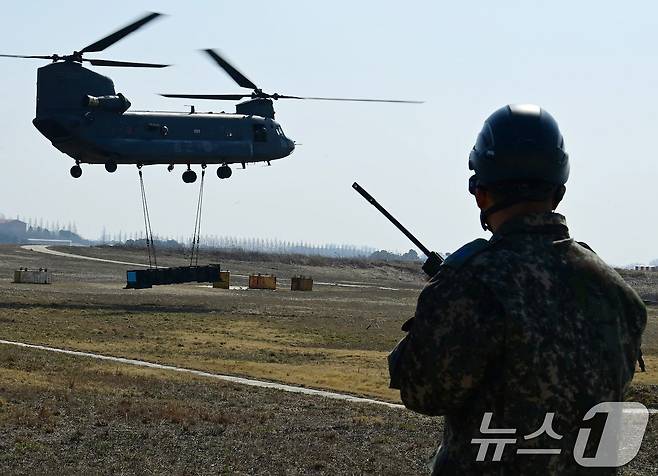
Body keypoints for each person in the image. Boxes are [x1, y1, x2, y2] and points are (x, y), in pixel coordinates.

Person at [389, 104, 647, 475]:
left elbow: (423, 392)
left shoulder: (470, 284)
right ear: (558, 190)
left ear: (481, 193)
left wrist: (429, 321)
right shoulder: (617, 292)